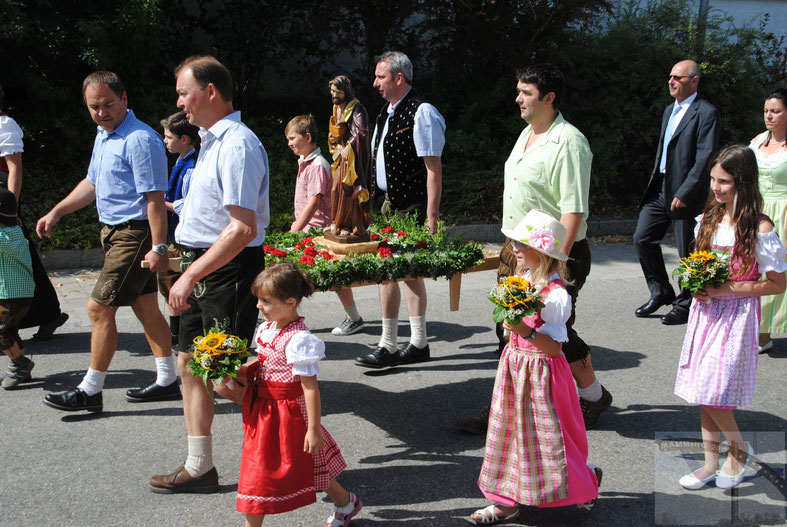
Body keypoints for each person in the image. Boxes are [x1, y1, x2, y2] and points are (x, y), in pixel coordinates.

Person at [459, 64, 611, 433]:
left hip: (552, 253)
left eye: (525, 92)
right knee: (507, 325)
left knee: (549, 328)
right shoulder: (528, 133)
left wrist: (556, 264)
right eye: (519, 91)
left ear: (549, 98)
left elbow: (573, 209)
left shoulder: (569, 142)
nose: (518, 98)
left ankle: (590, 396)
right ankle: (509, 405)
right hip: (517, 247)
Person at [149, 55, 269, 494]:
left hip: (226, 271)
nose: (179, 101)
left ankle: (299, 450)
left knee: (225, 377)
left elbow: (242, 228)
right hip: (202, 265)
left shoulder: (238, 144)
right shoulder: (209, 140)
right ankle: (200, 467)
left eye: (184, 92)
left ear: (211, 91)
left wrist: (189, 275)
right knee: (188, 366)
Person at [37, 71, 177, 412]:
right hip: (113, 234)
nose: (101, 112)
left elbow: (155, 199)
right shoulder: (104, 135)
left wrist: (159, 247)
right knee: (145, 306)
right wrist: (57, 211)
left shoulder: (140, 140)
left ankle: (90, 390)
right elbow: (92, 183)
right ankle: (168, 379)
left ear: (124, 99)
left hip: (135, 232)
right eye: (94, 106)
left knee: (98, 308)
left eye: (108, 104)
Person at [470, 210, 601, 524]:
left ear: (543, 252)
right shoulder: (523, 279)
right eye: (514, 241)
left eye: (523, 243)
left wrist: (523, 330)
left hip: (542, 372)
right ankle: (505, 501)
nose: (515, 247)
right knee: (509, 433)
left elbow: (555, 347)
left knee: (551, 437)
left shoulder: (555, 296)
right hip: (515, 367)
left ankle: (587, 484)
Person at [214, 263, 362, 527]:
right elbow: (263, 365)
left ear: (290, 302)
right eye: (258, 299)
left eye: (266, 301)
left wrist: (313, 429)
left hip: (288, 414)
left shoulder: (299, 340)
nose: (258, 306)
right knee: (302, 465)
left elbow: (309, 387)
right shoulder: (268, 329)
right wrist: (229, 368)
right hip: (265, 410)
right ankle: (345, 502)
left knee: (264, 471)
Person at [674, 145, 786, 490]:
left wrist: (728, 289)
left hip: (735, 318)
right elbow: (701, 265)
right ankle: (711, 463)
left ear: (742, 182)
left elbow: (777, 283)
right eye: (712, 179)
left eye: (723, 181)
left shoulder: (759, 227)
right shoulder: (708, 218)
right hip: (706, 315)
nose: (715, 188)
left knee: (714, 389)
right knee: (703, 389)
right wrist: (697, 284)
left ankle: (738, 452)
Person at [355, 51, 445, 369]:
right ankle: (412, 343)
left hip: (412, 205)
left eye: (380, 77)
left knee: (398, 272)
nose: (375, 82)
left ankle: (392, 345)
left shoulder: (422, 113)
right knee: (397, 273)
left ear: (398, 78)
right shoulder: (386, 113)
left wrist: (431, 217)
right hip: (388, 204)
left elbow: (433, 168)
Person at [634, 59, 721, 325]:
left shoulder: (706, 113)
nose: (672, 81)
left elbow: (705, 157)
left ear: (694, 81)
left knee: (688, 252)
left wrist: (685, 191)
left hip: (686, 193)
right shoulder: (668, 111)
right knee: (642, 238)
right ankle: (660, 291)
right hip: (660, 188)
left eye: (678, 78)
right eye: (670, 76)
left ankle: (684, 303)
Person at [0, 83, 69, 341]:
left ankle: (42, 314)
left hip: (2, 202)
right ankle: (45, 313)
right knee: (20, 258)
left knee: (19, 258)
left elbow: (14, 169)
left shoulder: (4, 124)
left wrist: (10, 209)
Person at [327, 75, 371, 337]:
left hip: (352, 160)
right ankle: (339, 222)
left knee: (350, 192)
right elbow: (333, 128)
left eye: (336, 91)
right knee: (335, 192)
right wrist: (335, 143)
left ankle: (354, 225)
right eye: (331, 91)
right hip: (339, 157)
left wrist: (349, 146)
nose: (334, 95)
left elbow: (362, 133)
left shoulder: (357, 108)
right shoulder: (336, 108)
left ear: (345, 91)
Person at [749, 87, 787, 353]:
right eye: (766, 111)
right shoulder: (759, 140)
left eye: (775, 111)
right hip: (758, 210)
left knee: (777, 271)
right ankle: (760, 334)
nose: (769, 116)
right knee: (756, 269)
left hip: (785, 212)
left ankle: (764, 333)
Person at [159, 110, 199, 350]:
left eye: (168, 137)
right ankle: (176, 332)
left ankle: (182, 333)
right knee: (167, 283)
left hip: (182, 235)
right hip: (173, 232)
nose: (165, 141)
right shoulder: (181, 161)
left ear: (184, 139)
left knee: (176, 283)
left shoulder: (192, 167)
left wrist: (158, 203)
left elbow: (188, 205)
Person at [0, 185, 35, 389]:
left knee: (2, 332)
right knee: (9, 330)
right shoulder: (14, 232)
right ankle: (18, 368)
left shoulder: (5, 237)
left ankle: (20, 364)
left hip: (10, 296)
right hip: (17, 294)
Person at [286, 115, 333, 233]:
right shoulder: (306, 162)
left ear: (307, 137)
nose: (289, 144)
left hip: (317, 231)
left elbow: (313, 203)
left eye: (292, 138)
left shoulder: (317, 166)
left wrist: (294, 231)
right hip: (306, 229)